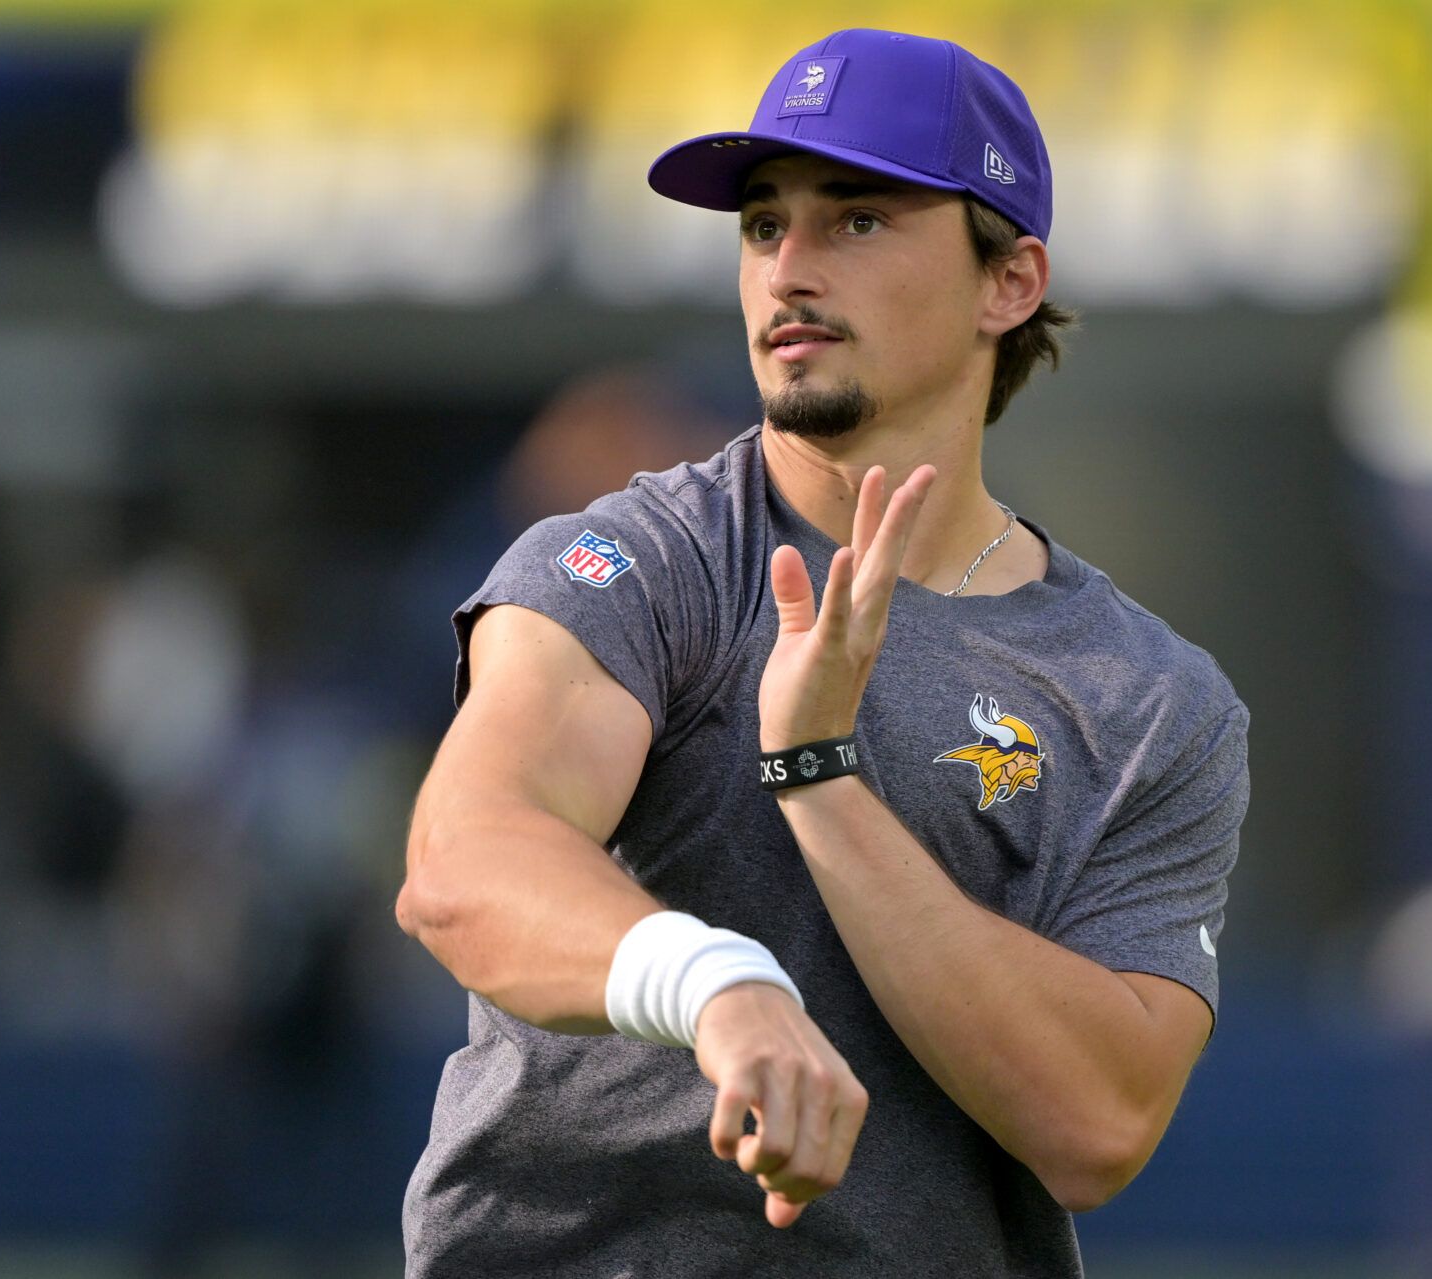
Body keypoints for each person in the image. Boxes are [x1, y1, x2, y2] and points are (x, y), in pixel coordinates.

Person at [397, 29, 1249, 1278]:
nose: (789, 269)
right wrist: (715, 984)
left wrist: (821, 777)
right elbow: (463, 863)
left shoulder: (1149, 698)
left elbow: (1097, 1124)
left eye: (855, 220)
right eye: (762, 225)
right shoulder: (646, 561)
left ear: (1009, 282)